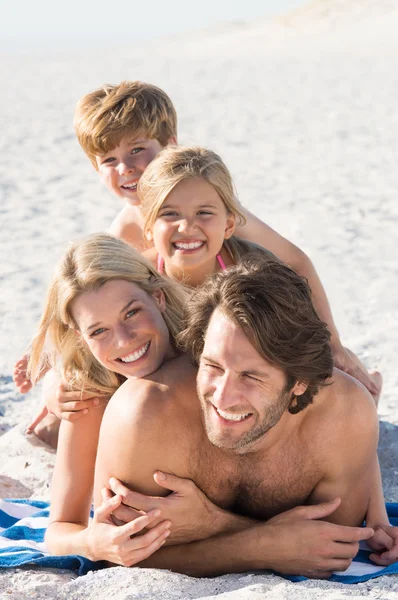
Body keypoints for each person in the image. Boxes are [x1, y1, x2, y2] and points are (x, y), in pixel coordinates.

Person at [14, 80, 380, 416]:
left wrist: (334, 343)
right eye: (108, 160)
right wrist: (56, 378)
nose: (125, 169)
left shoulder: (215, 211)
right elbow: (91, 312)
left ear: (170, 145)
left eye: (137, 150)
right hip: (167, 347)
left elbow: (297, 262)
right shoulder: (125, 230)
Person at [93, 257, 397, 577]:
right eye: (212, 366)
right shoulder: (144, 416)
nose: (222, 396)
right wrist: (265, 545)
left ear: (299, 381)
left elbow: (327, 549)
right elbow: (117, 554)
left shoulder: (344, 416)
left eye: (251, 377)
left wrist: (213, 523)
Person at [27, 233, 188, 563]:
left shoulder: (210, 358)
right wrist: (92, 544)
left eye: (131, 313)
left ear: (158, 297)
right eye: (98, 331)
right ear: (82, 338)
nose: (124, 340)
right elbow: (60, 528)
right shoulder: (91, 396)